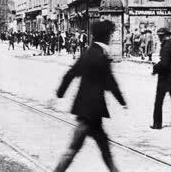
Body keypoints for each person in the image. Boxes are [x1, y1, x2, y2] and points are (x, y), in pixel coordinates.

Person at [54, 20, 127, 172]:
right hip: (92, 113)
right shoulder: (101, 56)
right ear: (105, 37)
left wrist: (60, 93)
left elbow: (70, 74)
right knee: (77, 149)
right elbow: (110, 83)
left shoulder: (88, 53)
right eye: (110, 35)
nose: (110, 38)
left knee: (97, 150)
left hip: (86, 110)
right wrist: (122, 101)